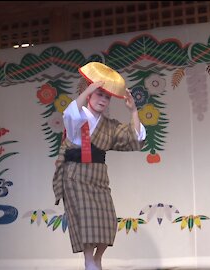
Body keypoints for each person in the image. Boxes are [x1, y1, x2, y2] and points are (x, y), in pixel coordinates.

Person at [52, 62, 146, 270]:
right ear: (89, 95)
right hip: (76, 177)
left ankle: (98, 258)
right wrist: (88, 88)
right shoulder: (79, 116)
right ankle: (88, 260)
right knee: (87, 223)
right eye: (98, 95)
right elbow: (69, 116)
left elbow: (134, 138)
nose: (102, 100)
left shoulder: (109, 126)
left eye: (106, 97)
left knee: (108, 221)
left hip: (98, 178)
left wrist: (133, 112)